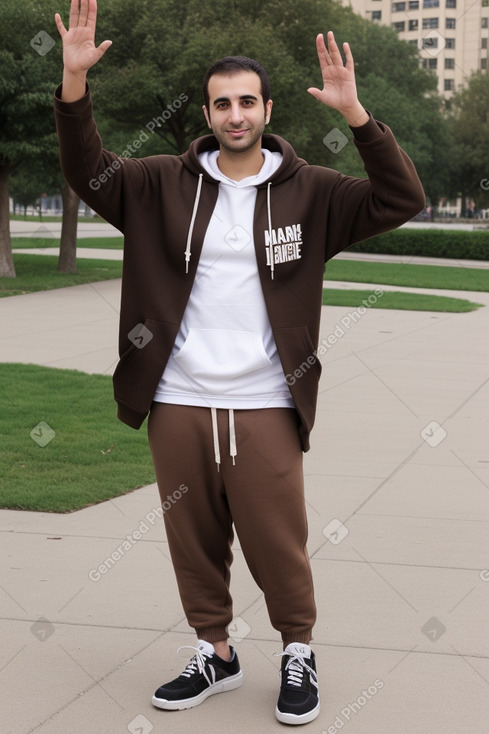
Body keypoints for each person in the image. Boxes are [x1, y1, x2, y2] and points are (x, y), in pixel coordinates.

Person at [54, 0, 425, 726]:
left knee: (276, 539)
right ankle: (214, 653)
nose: (234, 114)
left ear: (266, 109)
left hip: (266, 401)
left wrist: (356, 117)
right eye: (221, 103)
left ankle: (297, 651)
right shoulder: (159, 182)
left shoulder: (311, 191)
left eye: (246, 101)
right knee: (191, 538)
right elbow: (86, 170)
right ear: (205, 111)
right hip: (179, 398)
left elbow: (400, 197)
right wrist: (74, 84)